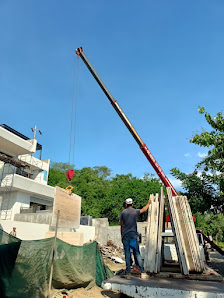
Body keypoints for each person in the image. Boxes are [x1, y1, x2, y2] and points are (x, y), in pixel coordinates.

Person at [120, 198, 151, 276]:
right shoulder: (135, 211)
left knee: (127, 253)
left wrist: (122, 235)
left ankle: (128, 272)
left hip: (126, 235)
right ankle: (142, 271)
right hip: (134, 235)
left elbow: (122, 225)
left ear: (126, 205)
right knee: (136, 253)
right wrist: (148, 203)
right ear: (132, 204)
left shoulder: (123, 212)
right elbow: (144, 209)